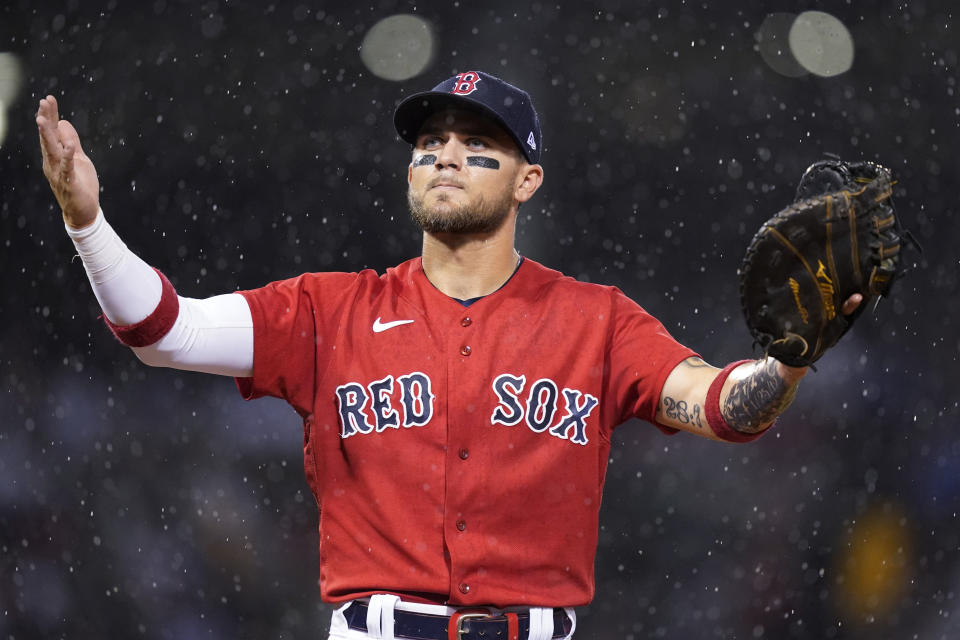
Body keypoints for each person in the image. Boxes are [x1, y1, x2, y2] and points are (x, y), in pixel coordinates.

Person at [37, 70, 862, 640]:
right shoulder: (329, 311)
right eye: (430, 141)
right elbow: (163, 330)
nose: (445, 154)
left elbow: (719, 406)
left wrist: (787, 361)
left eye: (478, 143)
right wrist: (88, 223)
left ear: (528, 180)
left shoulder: (597, 321)